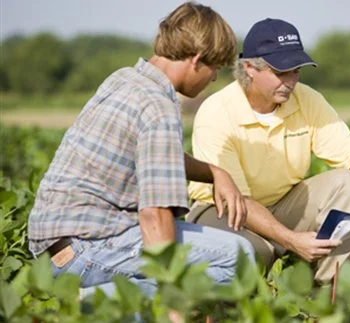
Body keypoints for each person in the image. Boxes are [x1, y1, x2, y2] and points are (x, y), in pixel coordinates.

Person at [27, 2, 255, 299]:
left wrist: (214, 172)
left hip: (51, 248)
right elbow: (154, 215)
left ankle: (100, 299)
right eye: (216, 68)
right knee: (238, 257)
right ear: (197, 59)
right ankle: (88, 306)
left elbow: (160, 158)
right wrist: (170, 293)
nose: (214, 78)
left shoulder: (124, 79)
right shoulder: (158, 106)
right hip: (87, 250)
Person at [187, 18, 350, 283]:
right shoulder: (217, 111)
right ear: (250, 68)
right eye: (281, 72)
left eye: (296, 70)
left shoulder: (307, 99)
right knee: (254, 253)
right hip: (224, 210)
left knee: (348, 183)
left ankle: (337, 293)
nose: (290, 81)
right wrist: (291, 240)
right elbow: (237, 199)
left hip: (282, 203)